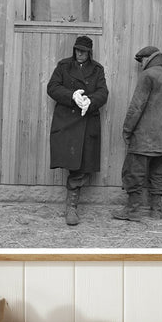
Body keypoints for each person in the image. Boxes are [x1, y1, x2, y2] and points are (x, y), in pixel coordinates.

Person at [112, 46, 162, 222]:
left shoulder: (147, 76)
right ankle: (156, 210)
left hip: (143, 138)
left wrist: (127, 130)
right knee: (158, 174)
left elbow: (137, 106)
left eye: (141, 60)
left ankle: (133, 211)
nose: (140, 64)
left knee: (134, 173)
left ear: (147, 59)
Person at [47, 36, 108, 226]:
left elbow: (103, 92)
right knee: (73, 164)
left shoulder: (97, 69)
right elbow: (52, 87)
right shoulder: (64, 66)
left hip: (87, 121)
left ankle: (72, 205)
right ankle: (71, 207)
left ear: (90, 53)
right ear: (74, 50)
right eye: (77, 50)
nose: (80, 54)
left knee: (81, 166)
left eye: (84, 51)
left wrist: (90, 101)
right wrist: (72, 96)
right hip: (67, 122)